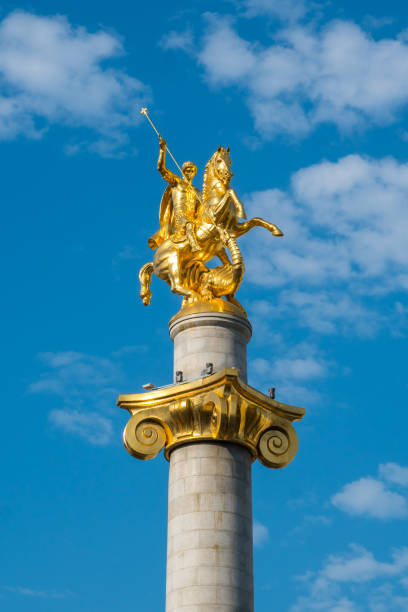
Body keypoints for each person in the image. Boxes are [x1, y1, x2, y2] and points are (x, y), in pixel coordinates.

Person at [148, 136, 201, 252]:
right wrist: (162, 151)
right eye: (187, 170)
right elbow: (161, 169)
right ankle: (194, 245)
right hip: (180, 219)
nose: (190, 173)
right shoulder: (176, 182)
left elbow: (201, 209)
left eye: (192, 171)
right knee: (188, 224)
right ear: (183, 171)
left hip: (195, 220)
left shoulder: (197, 191)